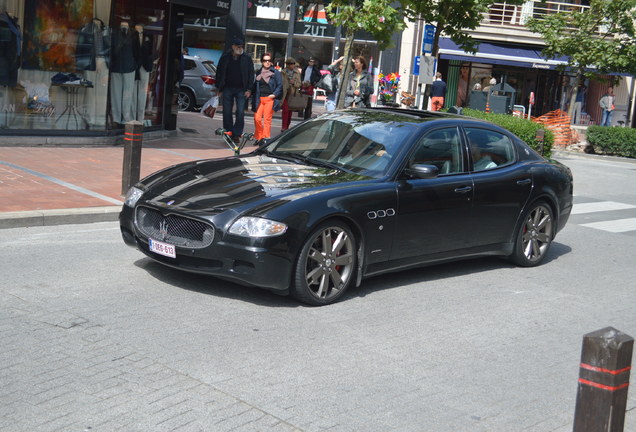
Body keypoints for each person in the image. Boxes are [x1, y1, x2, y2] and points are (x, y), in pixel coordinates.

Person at [216, 37, 255, 143]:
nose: (240, 48)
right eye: (238, 46)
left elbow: (251, 74)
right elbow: (219, 72)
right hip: (227, 87)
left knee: (240, 112)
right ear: (232, 46)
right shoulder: (225, 57)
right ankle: (229, 133)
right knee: (227, 111)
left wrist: (249, 89)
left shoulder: (246, 58)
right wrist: (218, 87)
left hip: (241, 89)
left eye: (241, 46)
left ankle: (237, 134)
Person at [110, 19, 135, 126]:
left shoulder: (133, 35)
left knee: (128, 95)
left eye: (126, 25)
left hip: (129, 67)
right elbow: (111, 50)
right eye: (122, 25)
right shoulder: (114, 34)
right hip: (116, 67)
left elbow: (137, 51)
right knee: (115, 94)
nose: (124, 27)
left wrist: (135, 65)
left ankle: (126, 118)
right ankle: (116, 118)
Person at [251, 52, 282, 140]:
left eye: (269, 60)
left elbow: (280, 86)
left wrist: (274, 94)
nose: (267, 62)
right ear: (262, 61)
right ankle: (260, 137)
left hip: (269, 99)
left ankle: (265, 138)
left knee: (267, 120)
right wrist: (249, 92)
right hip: (259, 99)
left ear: (272, 62)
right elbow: (254, 86)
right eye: (265, 60)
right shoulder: (258, 73)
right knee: (257, 118)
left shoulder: (275, 73)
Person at [132, 23, 153, 122]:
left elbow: (152, 52)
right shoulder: (132, 36)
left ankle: (140, 117)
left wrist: (149, 62)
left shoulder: (148, 37)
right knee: (132, 93)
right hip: (134, 67)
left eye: (139, 30)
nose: (138, 31)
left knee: (143, 93)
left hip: (145, 67)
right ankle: (132, 117)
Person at [280, 57, 301, 132]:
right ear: (287, 65)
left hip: (292, 93)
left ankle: (287, 126)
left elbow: (299, 84)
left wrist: (293, 83)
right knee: (285, 110)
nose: (292, 65)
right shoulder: (283, 72)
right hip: (284, 93)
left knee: (290, 111)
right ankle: (284, 126)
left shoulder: (297, 72)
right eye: (290, 64)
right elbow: (280, 82)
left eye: (293, 64)